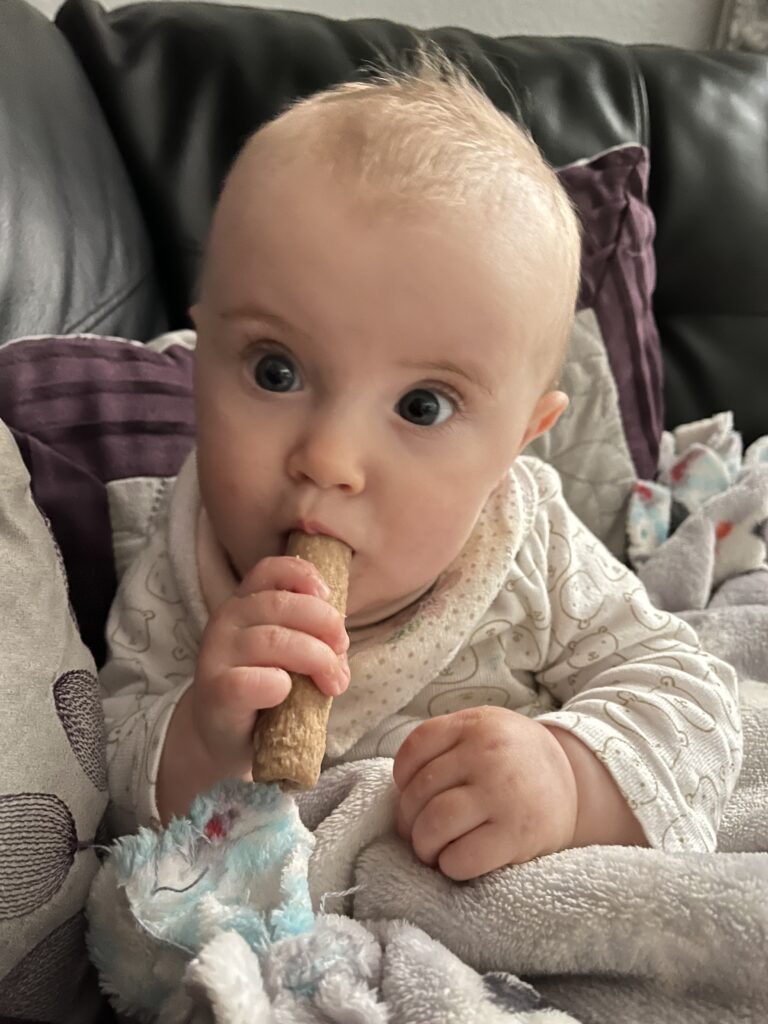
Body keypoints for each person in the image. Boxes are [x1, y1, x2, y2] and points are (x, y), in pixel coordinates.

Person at [100, 53, 742, 881]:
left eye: (423, 406)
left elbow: (692, 700)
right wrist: (196, 737)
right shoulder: (181, 551)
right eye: (274, 371)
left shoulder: (525, 542)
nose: (329, 459)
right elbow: (99, 757)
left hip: (503, 894)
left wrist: (569, 780)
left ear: (519, 441)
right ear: (201, 354)